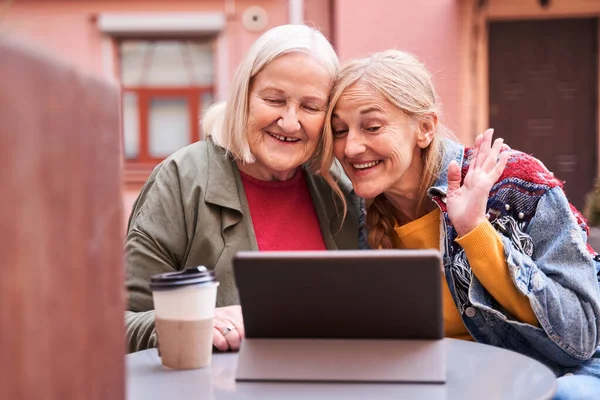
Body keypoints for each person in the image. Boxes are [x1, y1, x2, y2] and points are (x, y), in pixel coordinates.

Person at [321, 49, 600, 398]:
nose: (350, 147)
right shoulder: (357, 217)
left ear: (425, 128)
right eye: (339, 131)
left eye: (372, 127)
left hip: (565, 368)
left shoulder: (512, 185)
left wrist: (474, 231)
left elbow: (580, 339)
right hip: (465, 379)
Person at [124, 24, 362, 354]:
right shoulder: (181, 179)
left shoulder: (339, 185)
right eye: (274, 99)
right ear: (243, 98)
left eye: (310, 107)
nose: (290, 122)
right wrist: (193, 324)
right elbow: (120, 322)